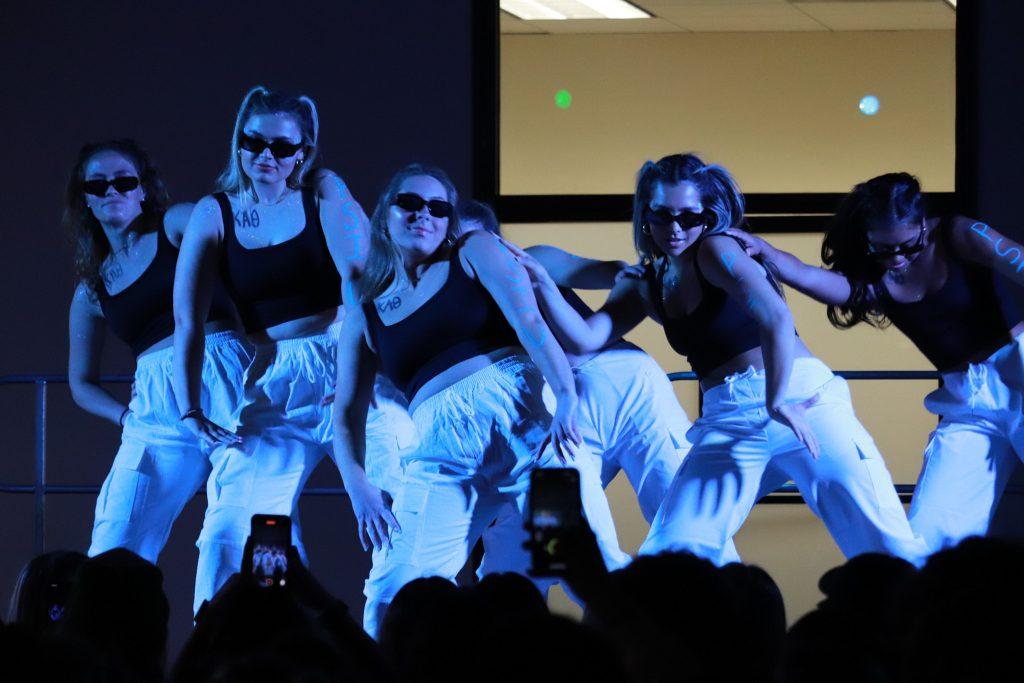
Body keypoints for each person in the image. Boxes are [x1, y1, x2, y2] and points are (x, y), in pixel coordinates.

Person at [503, 153, 927, 566]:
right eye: (663, 215)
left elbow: (776, 316)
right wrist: (543, 285)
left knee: (885, 546)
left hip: (801, 400)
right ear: (644, 215)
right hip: (727, 419)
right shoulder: (647, 281)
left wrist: (776, 399)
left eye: (689, 217)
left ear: (707, 215)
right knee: (672, 556)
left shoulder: (717, 250)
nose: (675, 228)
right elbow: (583, 340)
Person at [331, 164, 627, 637]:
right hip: (443, 459)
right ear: (385, 214)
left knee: (580, 564)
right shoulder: (367, 309)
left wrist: (567, 397)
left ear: (451, 219)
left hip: (529, 441)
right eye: (409, 203)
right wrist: (357, 485)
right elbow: (345, 409)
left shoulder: (474, 252)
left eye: (438, 207)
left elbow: (530, 324)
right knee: (392, 593)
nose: (422, 215)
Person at [726, 172, 1024, 552]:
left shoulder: (959, 233)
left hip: (1017, 370)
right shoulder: (873, 280)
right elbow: (807, 276)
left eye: (908, 245)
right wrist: (761, 248)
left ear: (922, 224)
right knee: (929, 541)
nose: (897, 258)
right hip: (968, 405)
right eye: (883, 249)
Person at [173, 86, 369, 612]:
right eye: (253, 142)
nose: (266, 156)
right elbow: (187, 321)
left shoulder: (322, 188)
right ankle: (224, 652)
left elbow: (358, 277)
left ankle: (398, 648)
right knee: (231, 530)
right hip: (275, 380)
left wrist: (356, 379)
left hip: (344, 357)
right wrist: (189, 408)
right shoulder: (215, 212)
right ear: (238, 143)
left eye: (282, 148)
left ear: (302, 154)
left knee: (398, 508)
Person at [455, 200, 697, 583]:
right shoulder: (452, 302)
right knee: (546, 548)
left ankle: (714, 622)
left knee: (686, 521)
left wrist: (649, 286)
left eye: (471, 240)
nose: (465, 253)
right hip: (561, 413)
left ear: (495, 240)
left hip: (625, 384)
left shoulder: (530, 260)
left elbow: (614, 272)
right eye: (453, 247)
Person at [65, 140, 250, 565]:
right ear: (85, 200)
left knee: (237, 530)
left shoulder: (175, 225)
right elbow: (80, 381)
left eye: (125, 181)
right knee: (115, 535)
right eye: (98, 185)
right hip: (155, 404)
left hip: (223, 376)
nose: (112, 191)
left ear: (143, 189)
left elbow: (239, 231)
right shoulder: (92, 288)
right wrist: (124, 416)